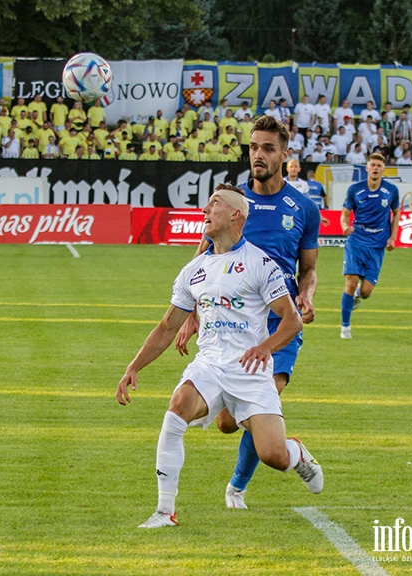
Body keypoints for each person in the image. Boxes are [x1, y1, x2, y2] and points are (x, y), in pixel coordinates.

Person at [117, 183, 323, 528]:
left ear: (235, 214)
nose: (204, 211)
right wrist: (134, 366)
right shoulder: (194, 270)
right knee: (177, 408)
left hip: (251, 371)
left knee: (271, 454)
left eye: (214, 204)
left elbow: (292, 320)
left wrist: (264, 347)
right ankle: (165, 511)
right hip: (210, 364)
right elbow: (168, 326)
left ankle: (296, 454)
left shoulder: (261, 264)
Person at [175, 115, 320, 510]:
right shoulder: (232, 201)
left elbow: (308, 270)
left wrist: (306, 295)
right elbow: (201, 263)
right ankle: (292, 449)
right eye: (254, 147)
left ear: (284, 154)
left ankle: (237, 486)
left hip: (278, 324)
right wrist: (190, 317)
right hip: (232, 325)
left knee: (264, 400)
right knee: (225, 423)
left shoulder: (303, 208)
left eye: (268, 148)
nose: (258, 155)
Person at [339, 153, 401, 339]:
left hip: (377, 245)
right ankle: (345, 327)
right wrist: (344, 226)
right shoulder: (355, 190)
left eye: (379, 165)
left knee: (365, 292)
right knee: (350, 282)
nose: (375, 168)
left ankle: (358, 294)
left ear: (383, 169)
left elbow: (396, 213)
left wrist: (392, 237)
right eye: (372, 165)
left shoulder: (391, 190)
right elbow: (344, 214)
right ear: (366, 168)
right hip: (356, 242)